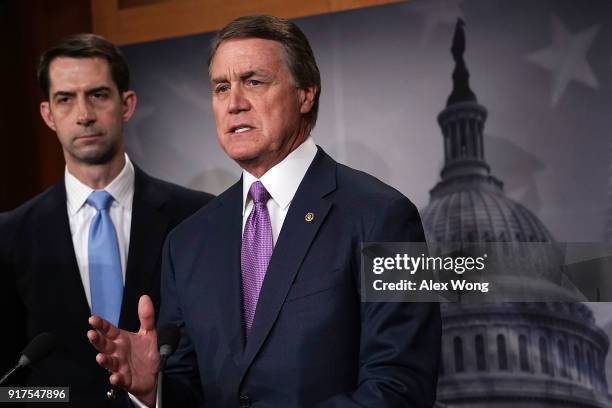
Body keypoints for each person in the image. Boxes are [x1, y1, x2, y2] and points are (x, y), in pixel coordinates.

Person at [88, 15, 441, 407]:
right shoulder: (187, 242)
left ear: (306, 93)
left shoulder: (389, 215)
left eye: (254, 82)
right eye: (221, 87)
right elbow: (191, 388)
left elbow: (402, 385)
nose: (234, 103)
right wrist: (153, 391)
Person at [0, 33, 213, 407]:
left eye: (98, 95)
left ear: (126, 104)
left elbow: (217, 360)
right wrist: (61, 401)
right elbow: (9, 387)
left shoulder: (196, 218)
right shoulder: (11, 235)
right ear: (48, 114)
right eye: (65, 99)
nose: (83, 114)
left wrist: (154, 397)